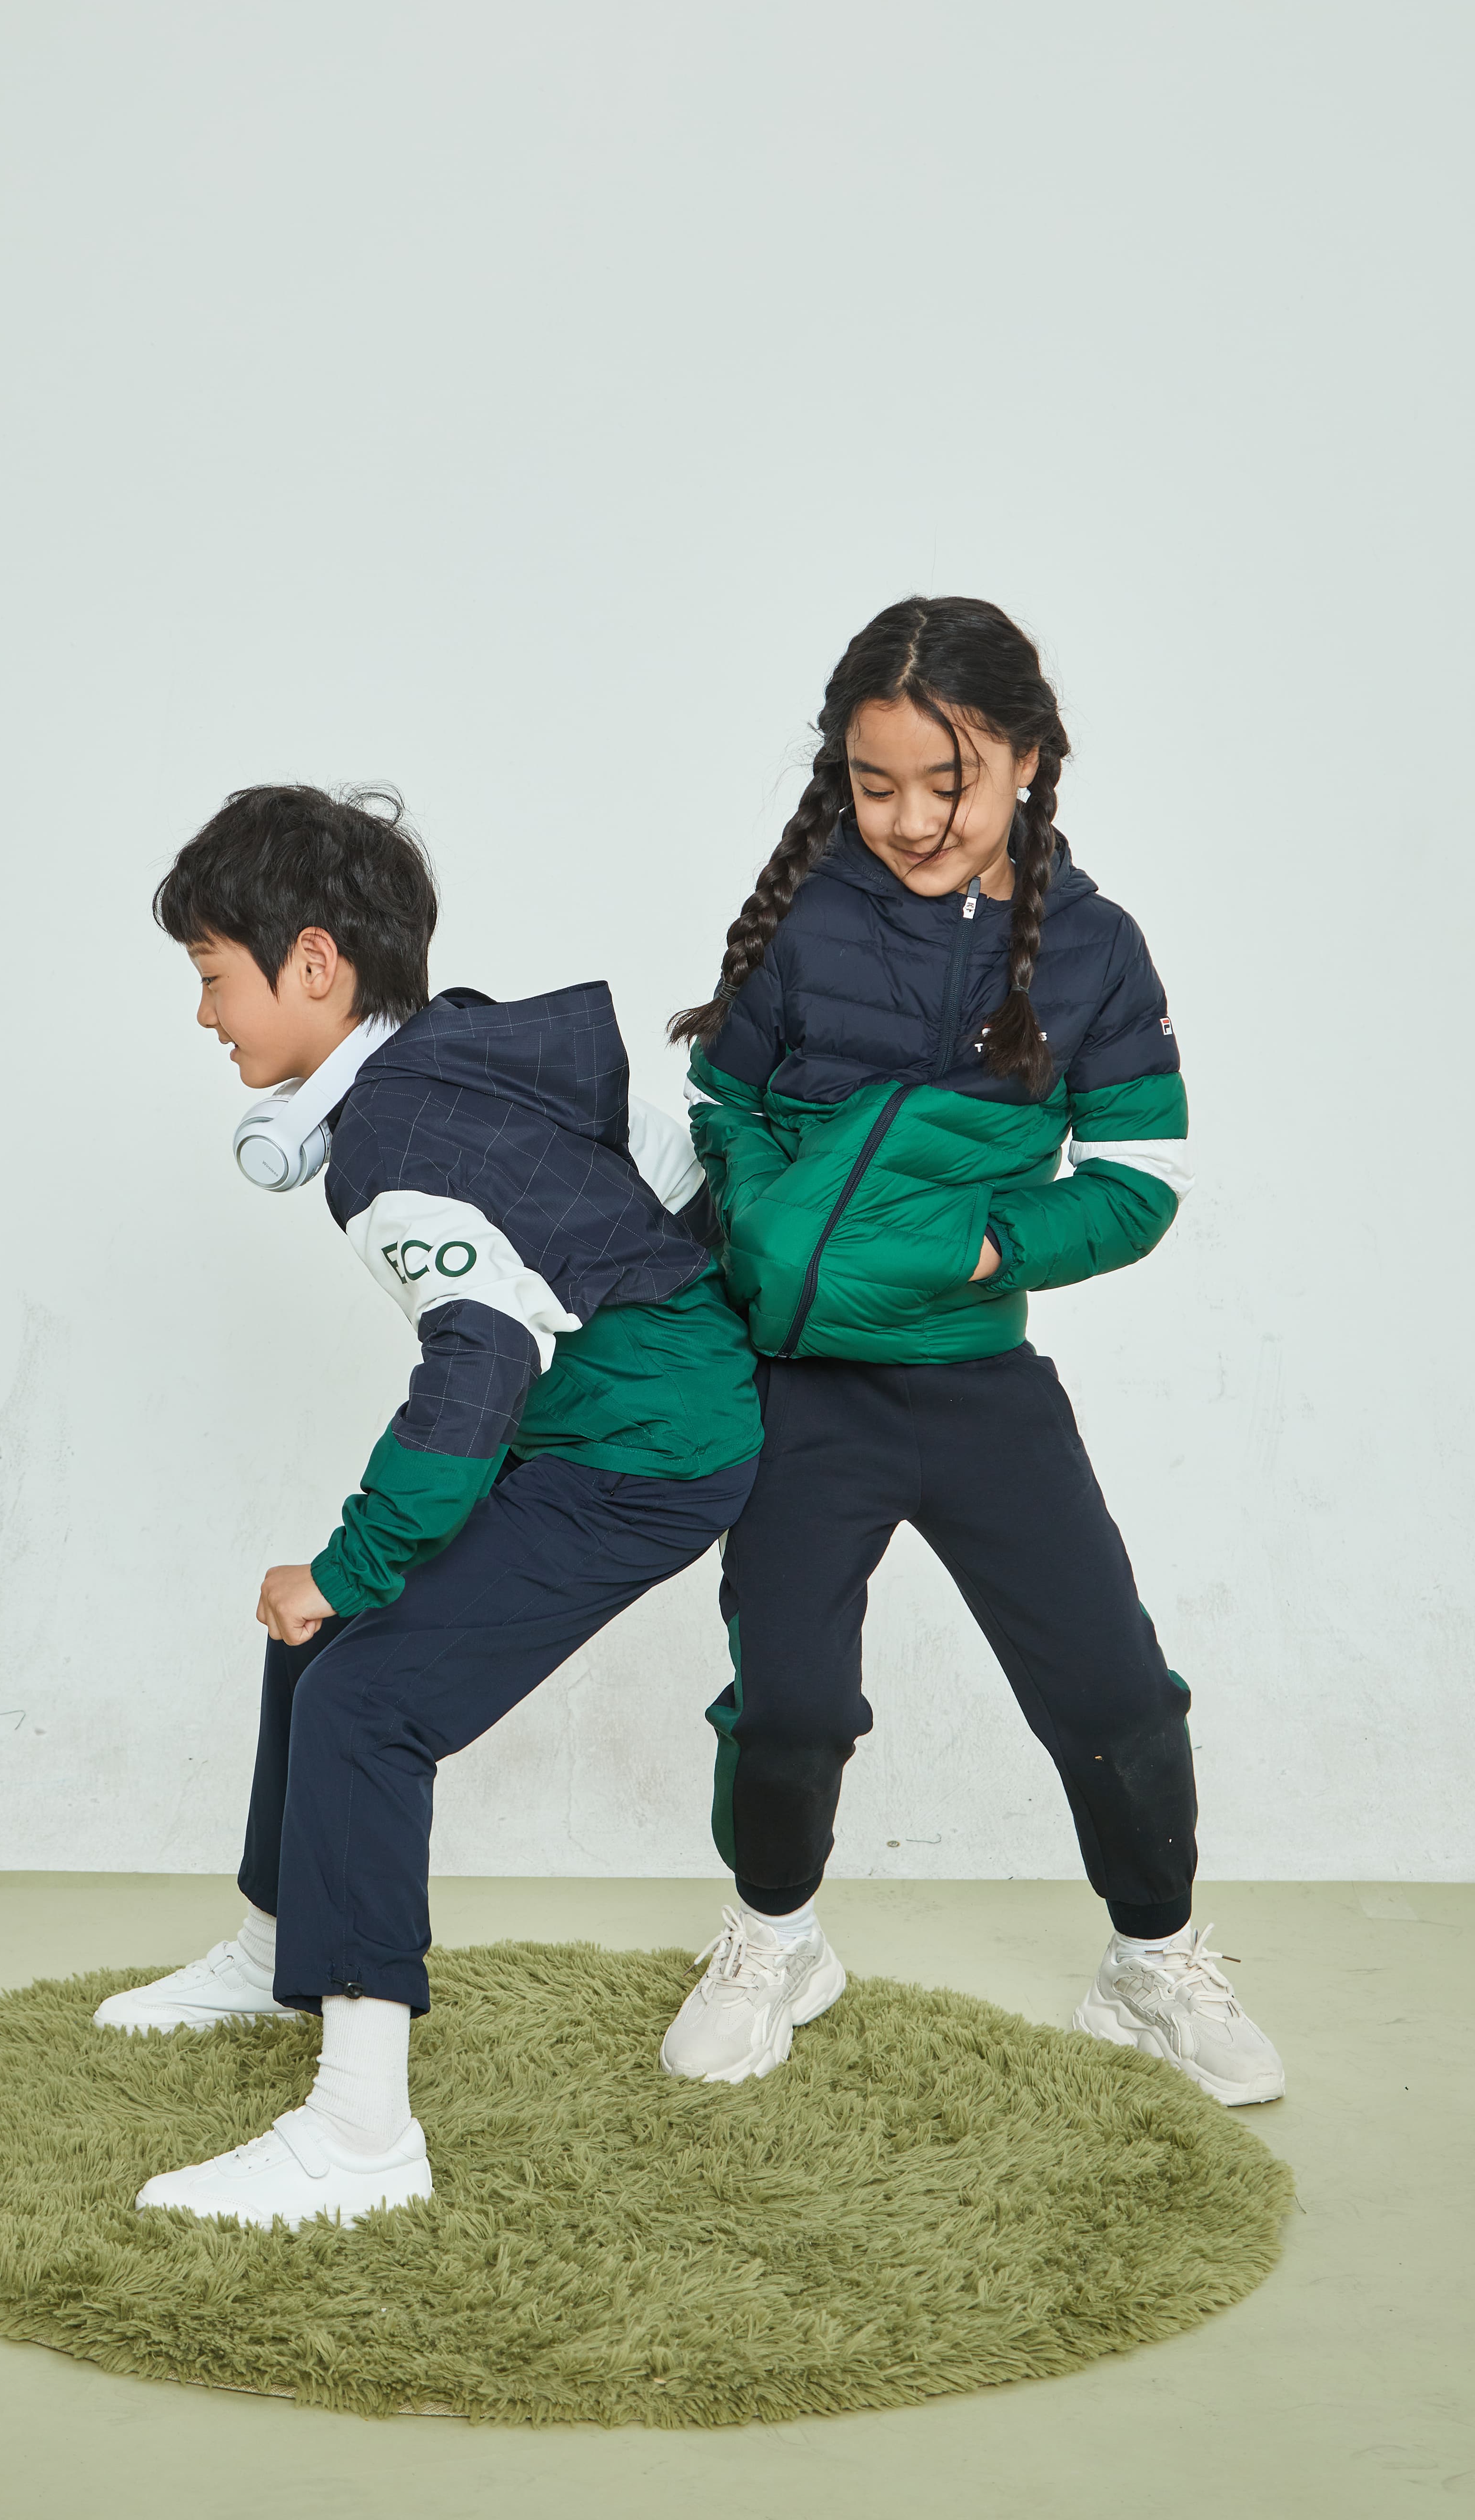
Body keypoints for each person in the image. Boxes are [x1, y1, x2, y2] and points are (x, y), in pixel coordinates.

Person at [100, 783, 763, 2228]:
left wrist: (356, 1562)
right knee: (317, 1648)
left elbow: (480, 1367)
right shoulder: (445, 1053)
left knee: (365, 1698)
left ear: (316, 965)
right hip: (612, 1409)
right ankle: (282, 1947)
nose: (206, 1016)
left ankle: (359, 2136)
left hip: (635, 1450)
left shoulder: (394, 1147)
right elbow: (670, 1174)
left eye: (215, 977)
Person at [657, 597, 1284, 2107]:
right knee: (792, 1694)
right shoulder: (808, 919)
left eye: (954, 781)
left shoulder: (1093, 952)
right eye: (877, 786)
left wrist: (985, 1248)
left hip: (978, 1383)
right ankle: (775, 1940)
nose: (915, 819)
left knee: (1115, 1687)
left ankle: (1154, 1963)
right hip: (807, 1388)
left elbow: (1143, 1184)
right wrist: (754, 1233)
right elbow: (718, 1118)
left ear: (1031, 760)